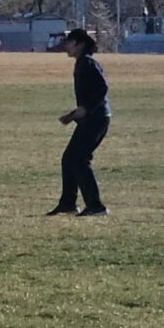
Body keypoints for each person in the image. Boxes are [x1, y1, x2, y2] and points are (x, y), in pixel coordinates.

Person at [48, 27, 110, 218]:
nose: (66, 45)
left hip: (97, 119)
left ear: (79, 44)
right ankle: (68, 203)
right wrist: (73, 115)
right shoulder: (82, 63)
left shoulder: (88, 63)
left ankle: (96, 205)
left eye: (69, 41)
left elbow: (102, 88)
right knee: (69, 159)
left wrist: (86, 109)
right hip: (91, 118)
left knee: (79, 159)